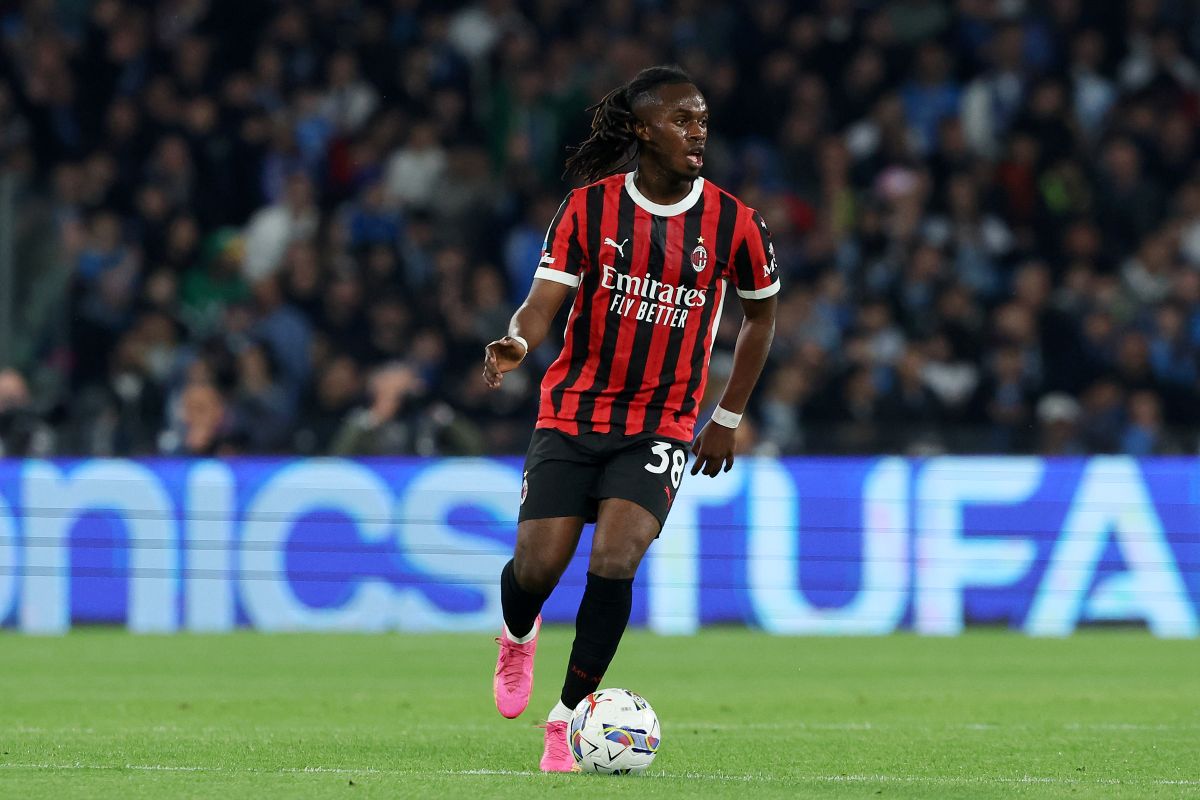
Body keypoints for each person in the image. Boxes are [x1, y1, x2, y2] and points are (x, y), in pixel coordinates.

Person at [482, 65, 779, 772]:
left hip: (661, 422)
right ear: (644, 130)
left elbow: (761, 318)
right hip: (574, 410)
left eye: (702, 120)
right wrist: (518, 341)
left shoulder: (735, 223)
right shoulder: (589, 209)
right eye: (682, 120)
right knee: (537, 568)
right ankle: (517, 635)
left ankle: (566, 718)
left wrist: (727, 414)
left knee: (616, 560)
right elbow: (542, 301)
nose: (698, 132)